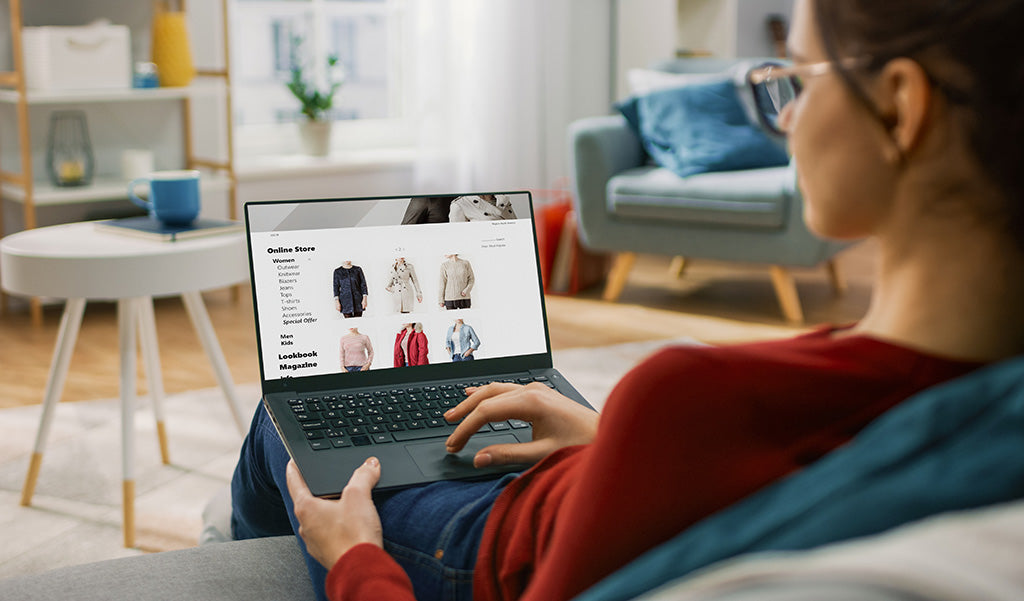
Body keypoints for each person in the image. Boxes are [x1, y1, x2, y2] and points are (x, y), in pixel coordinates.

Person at [230, 1, 1024, 601]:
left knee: (283, 418)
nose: (785, 121)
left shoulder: (690, 396)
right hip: (577, 481)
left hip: (481, 547)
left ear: (898, 107)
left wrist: (356, 558)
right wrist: (607, 440)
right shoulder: (983, 396)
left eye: (797, 80)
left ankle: (237, 565)